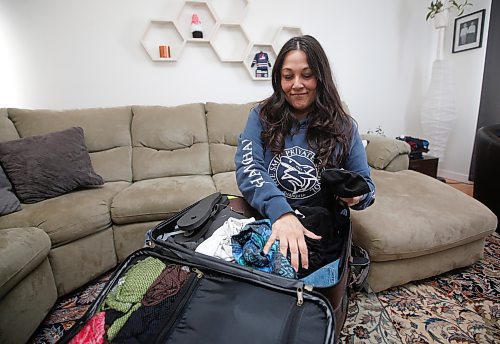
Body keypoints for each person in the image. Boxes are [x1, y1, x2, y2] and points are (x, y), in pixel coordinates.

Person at [234, 35, 375, 273]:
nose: (296, 84)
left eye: (306, 75)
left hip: (320, 227)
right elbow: (249, 169)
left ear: (320, 77)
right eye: (288, 76)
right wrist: (283, 214)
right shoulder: (260, 117)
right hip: (271, 218)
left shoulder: (345, 127)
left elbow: (367, 186)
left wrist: (356, 196)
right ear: (279, 80)